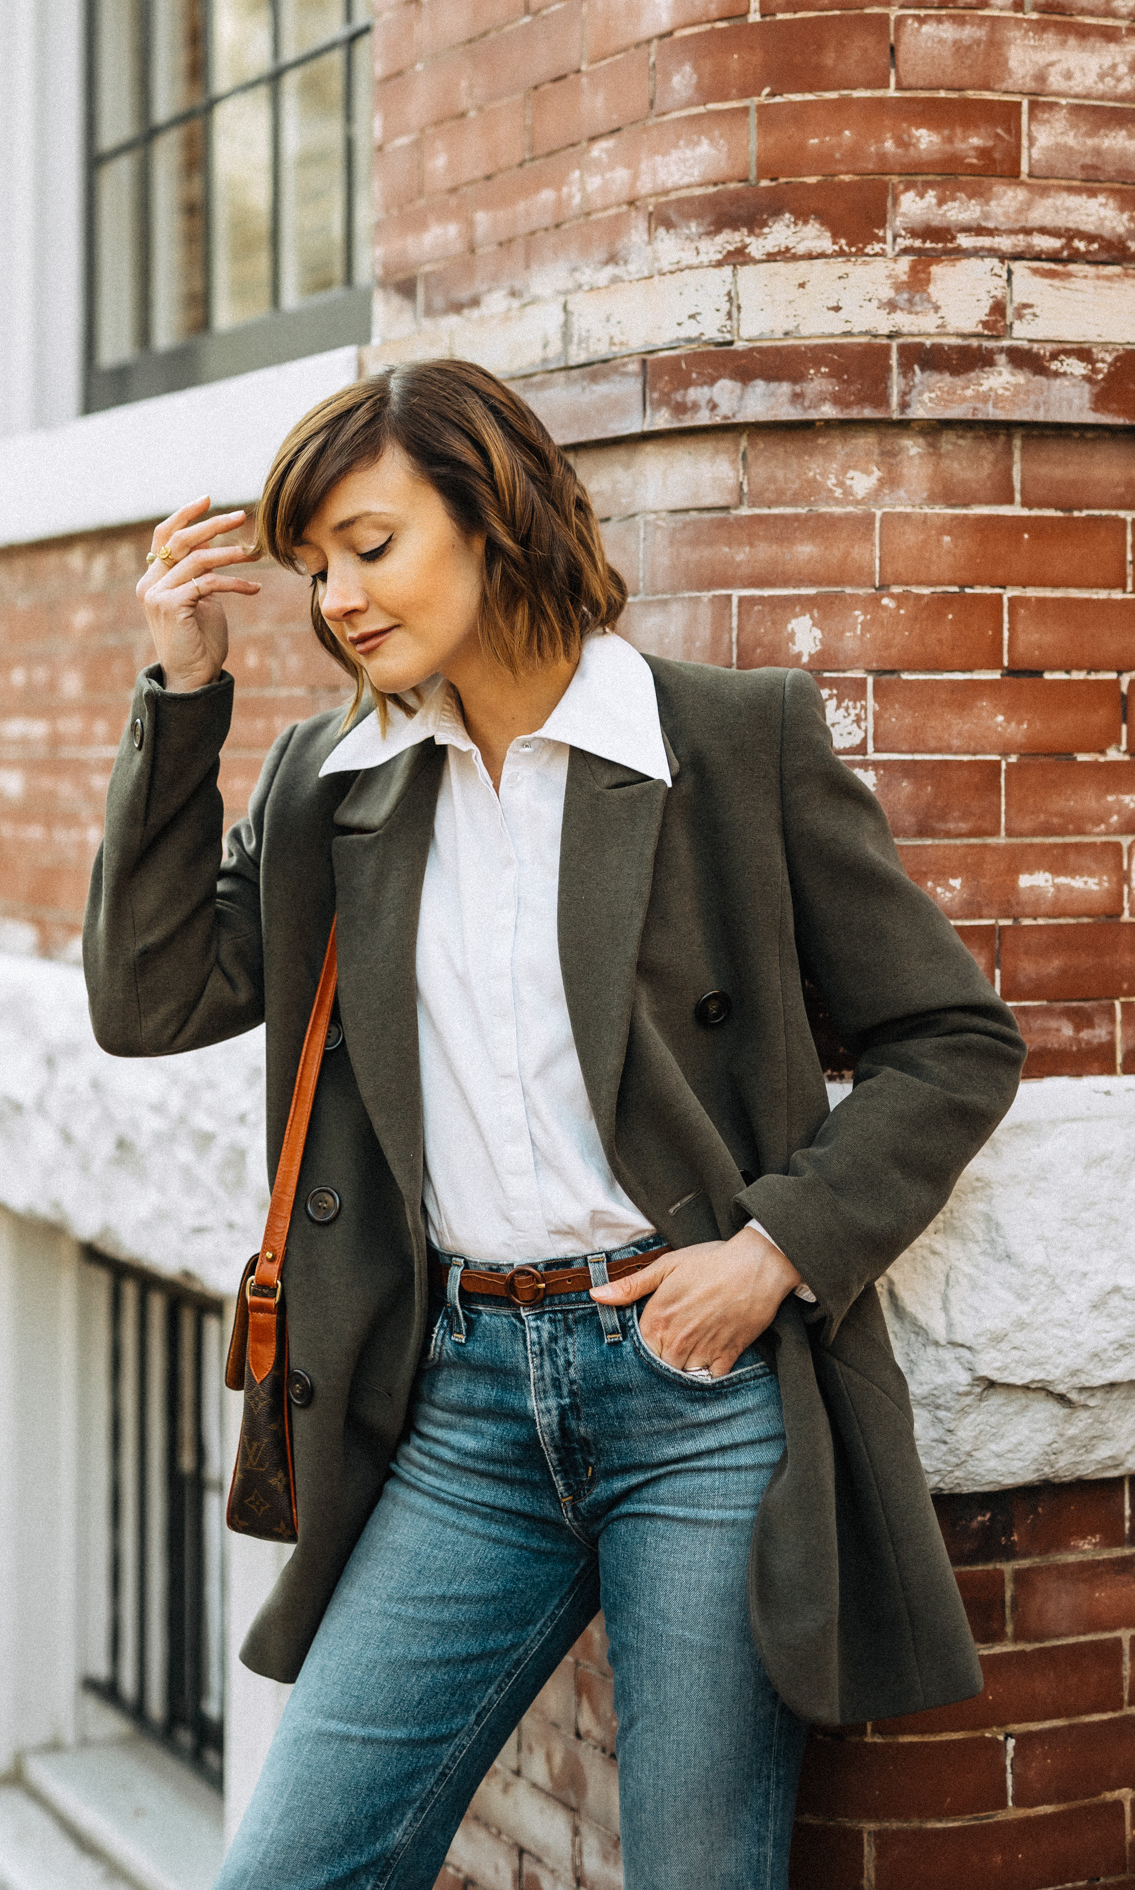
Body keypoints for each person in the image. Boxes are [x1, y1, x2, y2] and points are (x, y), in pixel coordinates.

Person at [84, 359, 1025, 1890]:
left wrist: (776, 1248)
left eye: (371, 547)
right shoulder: (340, 780)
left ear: (493, 513)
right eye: (315, 566)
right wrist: (182, 694)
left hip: (698, 1392)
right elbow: (151, 993)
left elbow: (950, 1040)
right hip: (459, 1402)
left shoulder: (731, 743)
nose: (338, 598)